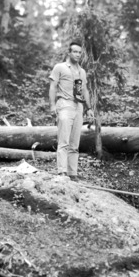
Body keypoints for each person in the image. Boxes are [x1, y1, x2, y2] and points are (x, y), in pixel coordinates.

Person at [49, 40, 94, 181]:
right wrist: (52, 105)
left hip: (78, 107)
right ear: (69, 53)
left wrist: (89, 108)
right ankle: (62, 172)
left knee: (75, 143)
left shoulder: (81, 71)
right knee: (64, 141)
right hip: (64, 105)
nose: (78, 54)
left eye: (80, 52)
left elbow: (84, 90)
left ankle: (72, 173)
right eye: (75, 51)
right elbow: (53, 87)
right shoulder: (60, 67)